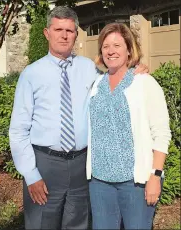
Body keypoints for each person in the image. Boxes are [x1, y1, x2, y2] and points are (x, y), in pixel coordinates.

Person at [9, 6, 148, 230]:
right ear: (47, 33)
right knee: (42, 223)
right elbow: (18, 130)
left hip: (81, 165)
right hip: (45, 164)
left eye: (70, 30)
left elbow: (115, 80)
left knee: (79, 224)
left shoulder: (89, 68)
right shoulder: (31, 75)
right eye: (58, 29)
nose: (64, 35)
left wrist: (136, 69)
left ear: (76, 34)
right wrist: (30, 174)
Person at [86, 23, 171, 230]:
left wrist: (155, 176)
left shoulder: (144, 83)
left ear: (129, 50)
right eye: (106, 46)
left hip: (135, 183)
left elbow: (161, 133)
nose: (111, 51)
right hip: (99, 182)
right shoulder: (97, 84)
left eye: (117, 45)